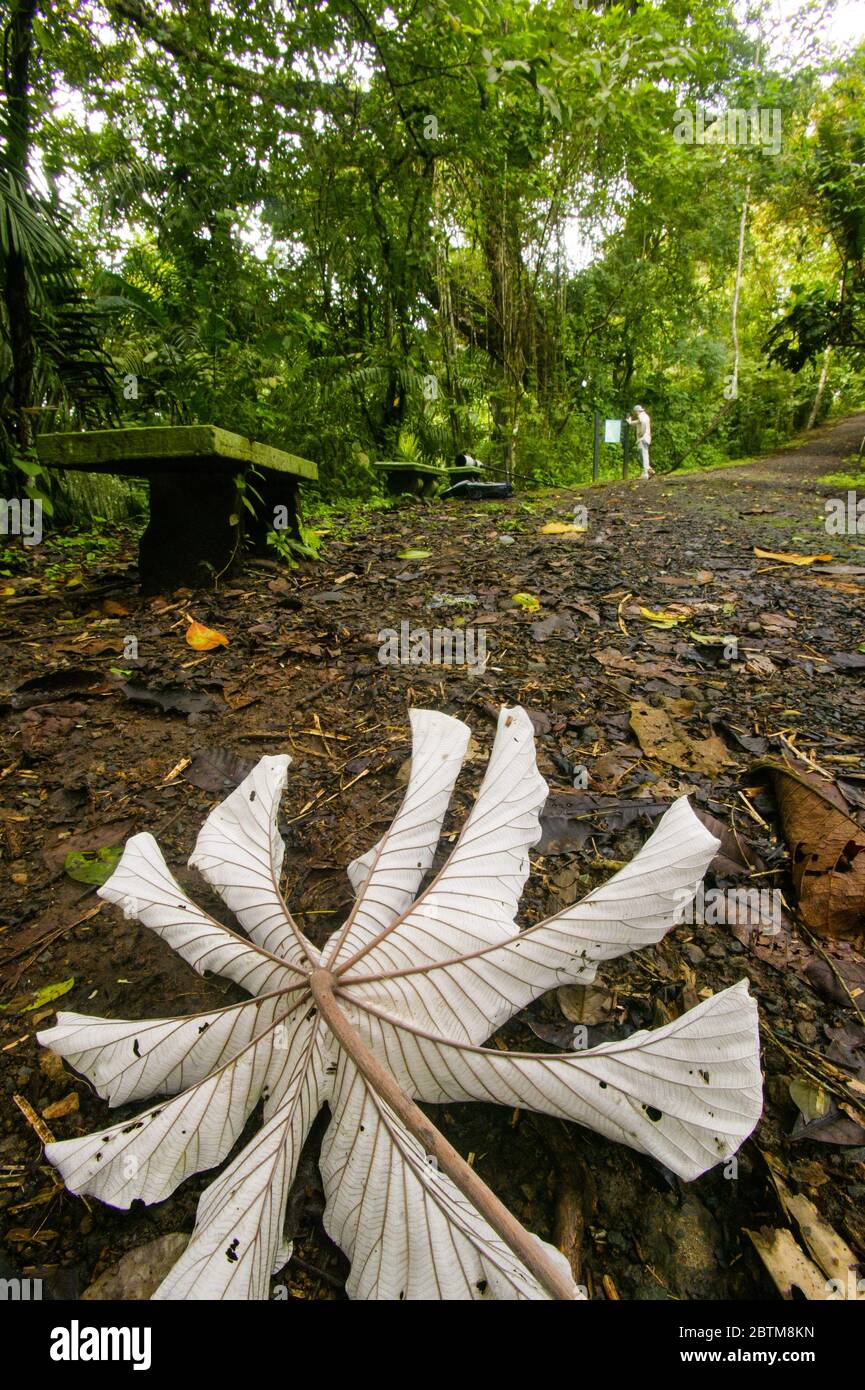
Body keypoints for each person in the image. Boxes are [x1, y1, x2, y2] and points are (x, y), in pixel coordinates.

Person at [627, 404, 654, 478]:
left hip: (643, 439)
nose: (635, 413)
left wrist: (641, 433)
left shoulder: (642, 416)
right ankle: (648, 469)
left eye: (635, 412)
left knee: (643, 455)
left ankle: (646, 473)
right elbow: (638, 422)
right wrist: (630, 422)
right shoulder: (644, 416)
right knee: (641, 456)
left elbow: (643, 424)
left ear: (637, 411)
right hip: (645, 438)